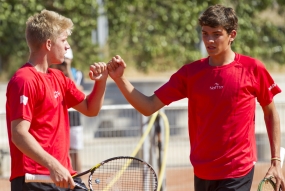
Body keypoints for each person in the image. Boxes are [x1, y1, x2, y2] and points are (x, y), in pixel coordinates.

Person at [107, 4, 285, 191]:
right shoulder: (190, 73)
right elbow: (148, 106)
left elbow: (271, 113)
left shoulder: (253, 68)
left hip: (237, 170)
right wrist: (120, 79)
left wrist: (275, 161)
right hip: (202, 171)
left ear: (232, 35)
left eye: (216, 34)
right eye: (205, 33)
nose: (209, 40)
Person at [6, 9, 108, 191]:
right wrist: (53, 166)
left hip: (62, 175)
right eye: (63, 40)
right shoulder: (24, 79)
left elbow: (90, 109)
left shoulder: (59, 78)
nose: (67, 46)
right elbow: (19, 134)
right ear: (48, 44)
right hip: (34, 179)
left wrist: (100, 83)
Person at [52, 48, 85, 172]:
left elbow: (77, 91)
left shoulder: (78, 74)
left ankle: (77, 178)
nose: (63, 63)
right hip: (57, 120)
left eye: (67, 59)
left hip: (74, 120)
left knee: (75, 151)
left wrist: (68, 69)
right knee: (60, 152)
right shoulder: (52, 73)